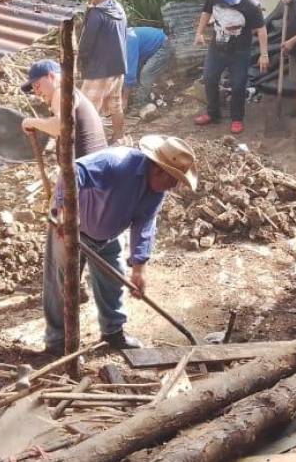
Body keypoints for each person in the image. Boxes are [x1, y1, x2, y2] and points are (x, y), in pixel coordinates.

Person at [42, 135, 198, 356]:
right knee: (62, 288)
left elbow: (144, 224)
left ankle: (112, 333)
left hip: (108, 235)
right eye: (173, 180)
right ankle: (57, 343)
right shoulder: (117, 162)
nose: (173, 187)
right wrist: (65, 212)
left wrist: (139, 268)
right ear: (158, 169)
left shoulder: (158, 192)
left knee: (114, 282)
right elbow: (74, 171)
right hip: (72, 230)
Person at [194, 0, 269, 135]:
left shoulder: (251, 4)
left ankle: (237, 118)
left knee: (238, 85)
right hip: (217, 47)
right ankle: (213, 113)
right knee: (209, 78)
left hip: (240, 52)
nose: (232, 2)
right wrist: (199, 32)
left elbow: (261, 30)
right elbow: (206, 12)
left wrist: (264, 54)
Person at [20, 60, 108, 158]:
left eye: (37, 86)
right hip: (91, 165)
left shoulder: (61, 92)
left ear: (51, 77)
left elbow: (61, 126)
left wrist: (31, 122)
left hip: (88, 168)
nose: (36, 93)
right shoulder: (69, 92)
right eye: (33, 89)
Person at [79, 0, 129, 141]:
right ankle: (118, 137)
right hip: (118, 66)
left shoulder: (96, 13)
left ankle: (90, 143)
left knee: (85, 108)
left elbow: (86, 44)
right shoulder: (119, 9)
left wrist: (82, 62)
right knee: (115, 103)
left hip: (99, 70)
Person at [124, 25, 174, 116]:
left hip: (163, 47)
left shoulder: (128, 40)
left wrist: (124, 99)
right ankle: (142, 97)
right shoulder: (121, 37)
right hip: (152, 47)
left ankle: (138, 105)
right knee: (136, 75)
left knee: (145, 74)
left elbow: (130, 74)